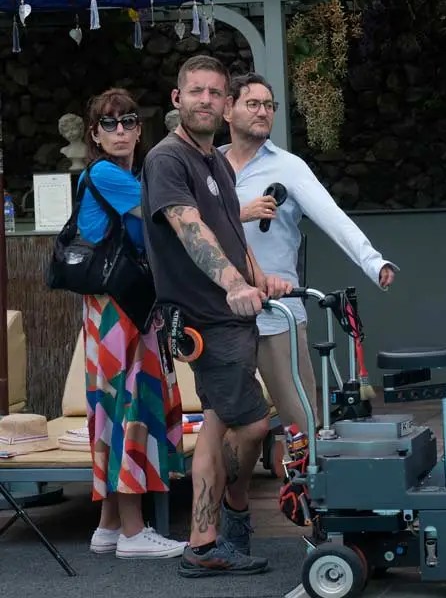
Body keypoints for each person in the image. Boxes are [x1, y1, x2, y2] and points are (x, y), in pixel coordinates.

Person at [141, 55, 293, 577]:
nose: (205, 100)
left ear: (226, 104)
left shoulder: (217, 163)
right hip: (204, 317)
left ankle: (206, 540)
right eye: (196, 91)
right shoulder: (168, 160)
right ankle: (228, 516)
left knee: (217, 423)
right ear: (177, 98)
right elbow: (190, 230)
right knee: (252, 424)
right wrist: (233, 284)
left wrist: (258, 279)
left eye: (214, 93)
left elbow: (230, 232)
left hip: (231, 316)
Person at [222, 72, 398, 433]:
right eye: (252, 104)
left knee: (301, 424)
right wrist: (241, 213)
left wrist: (373, 261)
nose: (263, 112)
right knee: (227, 424)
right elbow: (188, 223)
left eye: (268, 105)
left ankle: (305, 472)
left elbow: (333, 218)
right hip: (219, 312)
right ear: (227, 110)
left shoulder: (288, 166)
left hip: (276, 312)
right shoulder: (208, 164)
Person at [79, 88, 187, 559]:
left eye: (128, 122)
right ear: (95, 134)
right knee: (131, 407)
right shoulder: (107, 174)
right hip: (119, 308)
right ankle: (133, 531)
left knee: (114, 408)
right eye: (109, 124)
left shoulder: (126, 176)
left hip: (113, 308)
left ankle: (108, 526)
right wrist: (235, 212)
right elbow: (165, 219)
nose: (120, 131)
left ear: (140, 130)